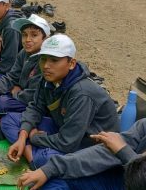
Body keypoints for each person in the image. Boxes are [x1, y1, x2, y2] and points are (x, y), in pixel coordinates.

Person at [7, 34, 120, 171]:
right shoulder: (48, 78)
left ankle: (33, 157)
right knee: (10, 120)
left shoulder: (82, 93)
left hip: (87, 146)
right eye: (43, 59)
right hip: (62, 129)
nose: (46, 66)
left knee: (46, 158)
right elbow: (36, 107)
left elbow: (68, 143)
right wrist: (23, 136)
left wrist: (35, 137)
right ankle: (28, 150)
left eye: (54, 60)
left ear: (71, 63)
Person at [17, 118, 146, 190]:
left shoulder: (84, 94)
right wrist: (49, 168)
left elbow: (68, 142)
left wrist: (123, 151)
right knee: (54, 171)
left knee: (50, 163)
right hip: (118, 184)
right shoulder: (145, 125)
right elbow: (106, 151)